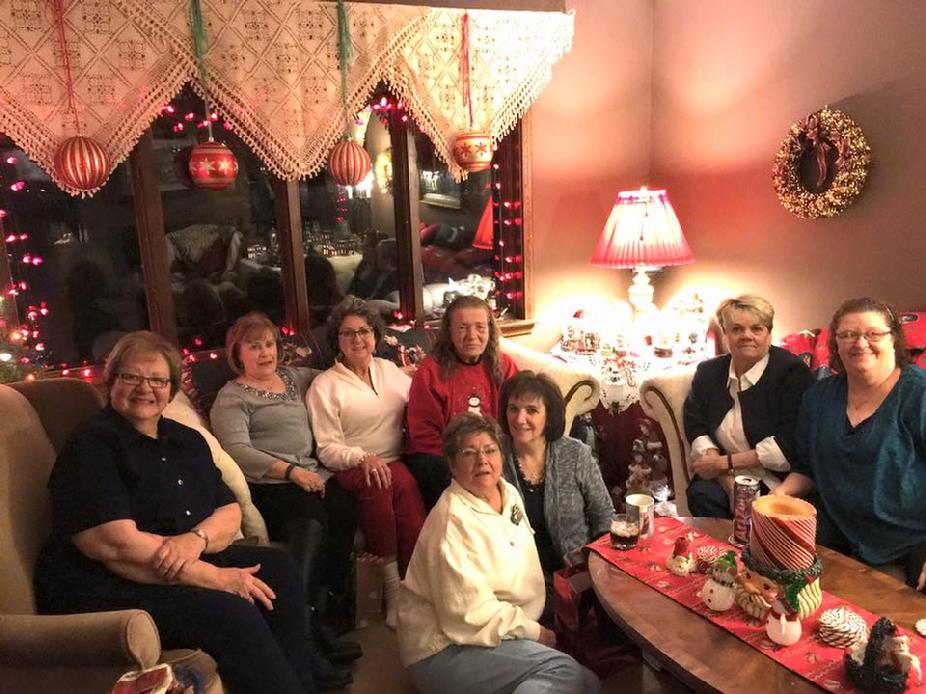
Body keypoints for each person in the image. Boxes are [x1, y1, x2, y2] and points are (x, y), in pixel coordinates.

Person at [33, 331, 318, 694]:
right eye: (131, 377)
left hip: (171, 558)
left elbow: (228, 511)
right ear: (111, 380)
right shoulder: (93, 444)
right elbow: (115, 547)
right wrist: (218, 577)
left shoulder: (187, 440)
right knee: (229, 611)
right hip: (103, 582)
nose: (144, 388)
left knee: (279, 569)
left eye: (157, 380)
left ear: (171, 389)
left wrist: (194, 540)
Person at [398, 413, 600, 694]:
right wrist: (536, 633)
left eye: (489, 450)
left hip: (496, 630)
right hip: (444, 646)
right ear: (452, 465)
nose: (482, 460)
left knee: (588, 681)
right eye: (469, 453)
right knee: (563, 673)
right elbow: (468, 616)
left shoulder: (508, 494)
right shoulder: (452, 521)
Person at [210, 312, 360, 688]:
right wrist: (291, 472)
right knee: (309, 523)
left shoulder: (297, 378)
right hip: (270, 483)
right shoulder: (232, 397)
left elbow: (338, 376)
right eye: (255, 346)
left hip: (314, 474)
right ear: (238, 353)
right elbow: (236, 450)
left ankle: (317, 617)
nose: (265, 352)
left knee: (344, 510)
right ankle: (302, 638)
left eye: (270, 344)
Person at [774, 297, 926, 590]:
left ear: (894, 339)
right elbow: (807, 469)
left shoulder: (918, 394)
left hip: (912, 534)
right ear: (836, 345)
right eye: (848, 335)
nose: (860, 343)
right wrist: (777, 496)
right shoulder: (818, 397)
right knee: (776, 569)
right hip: (840, 524)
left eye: (873, 334)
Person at [306, 297, 427, 629]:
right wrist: (362, 457)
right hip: (351, 467)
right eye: (348, 334)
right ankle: (392, 591)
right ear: (337, 341)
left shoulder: (389, 371)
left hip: (393, 460)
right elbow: (327, 447)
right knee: (379, 486)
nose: (358, 340)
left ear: (375, 335)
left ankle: (416, 588)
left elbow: (418, 399)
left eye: (364, 331)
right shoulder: (325, 385)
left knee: (409, 499)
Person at [682, 295, 813, 518]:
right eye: (736, 329)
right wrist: (725, 477)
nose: (746, 336)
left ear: (768, 333)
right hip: (726, 475)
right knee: (702, 494)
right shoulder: (708, 372)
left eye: (756, 328)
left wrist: (723, 462)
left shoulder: (792, 374)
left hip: (779, 478)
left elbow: (789, 444)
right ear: (725, 334)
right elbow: (695, 423)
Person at [500, 370, 614, 623]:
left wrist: (598, 569)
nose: (520, 419)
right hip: (518, 578)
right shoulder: (495, 458)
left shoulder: (575, 454)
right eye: (513, 408)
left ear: (548, 415)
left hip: (576, 571)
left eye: (531, 410)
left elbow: (603, 514)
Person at [405, 295, 519, 508]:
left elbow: (516, 417)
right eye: (462, 328)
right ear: (449, 332)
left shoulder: (505, 365)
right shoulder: (430, 371)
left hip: (492, 451)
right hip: (441, 455)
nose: (472, 336)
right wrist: (463, 460)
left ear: (490, 330)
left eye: (480, 327)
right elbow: (423, 435)